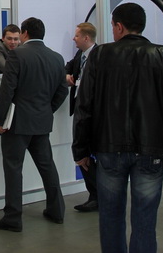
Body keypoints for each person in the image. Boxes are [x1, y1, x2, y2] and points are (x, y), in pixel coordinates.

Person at [72, 3, 163, 253]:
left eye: (113, 25)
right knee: (145, 220)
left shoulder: (99, 56)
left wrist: (80, 149)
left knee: (110, 216)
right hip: (152, 151)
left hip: (109, 149)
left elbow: (84, 106)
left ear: (119, 26)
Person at [0, 17, 68, 232]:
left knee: (14, 168)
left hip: (17, 123)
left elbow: (7, 90)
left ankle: (13, 217)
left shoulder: (17, 55)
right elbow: (62, 90)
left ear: (24, 33)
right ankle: (57, 210)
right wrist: (46, 110)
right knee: (47, 166)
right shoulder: (56, 57)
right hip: (41, 122)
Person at [65, 22, 98, 212]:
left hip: (93, 112)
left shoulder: (100, 56)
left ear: (86, 38)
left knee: (88, 152)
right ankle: (95, 194)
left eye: (77, 36)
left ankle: (98, 195)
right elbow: (68, 67)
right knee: (80, 151)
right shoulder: (80, 55)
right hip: (80, 107)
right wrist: (67, 75)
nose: (73, 38)